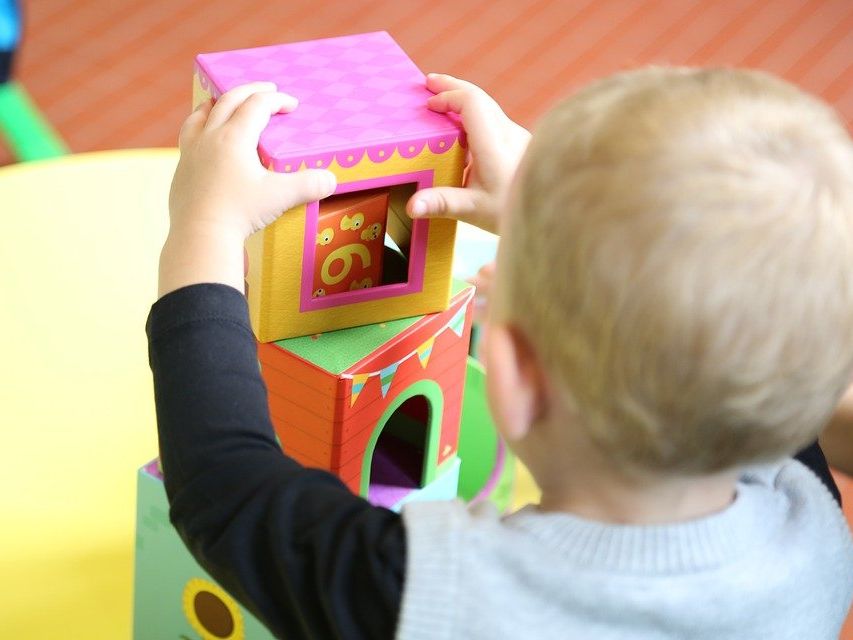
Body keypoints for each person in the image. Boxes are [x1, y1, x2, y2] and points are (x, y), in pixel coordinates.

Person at [148, 69, 853, 639]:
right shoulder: (814, 529)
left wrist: (205, 227)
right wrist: (542, 216)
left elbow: (223, 486)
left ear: (512, 376)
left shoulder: (438, 599)